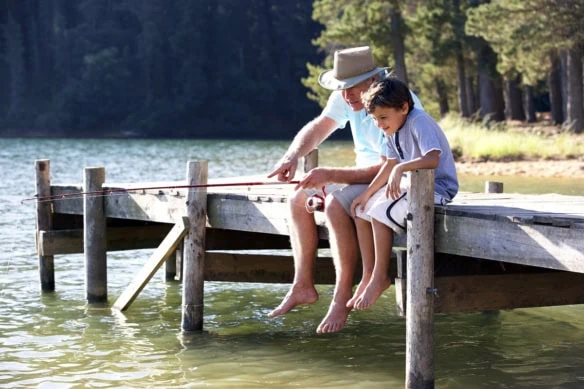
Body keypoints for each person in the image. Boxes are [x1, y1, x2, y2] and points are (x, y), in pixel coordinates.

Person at [267, 46, 422, 334]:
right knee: (297, 200)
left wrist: (331, 175)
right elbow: (318, 127)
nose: (346, 95)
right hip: (363, 177)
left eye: (352, 87)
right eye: (342, 88)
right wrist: (292, 156)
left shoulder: (398, 103)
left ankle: (341, 297)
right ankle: (302, 285)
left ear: (373, 81)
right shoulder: (347, 98)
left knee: (337, 204)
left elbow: (395, 165)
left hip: (394, 180)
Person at [349, 77, 458, 310]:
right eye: (375, 119)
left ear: (404, 108)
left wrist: (402, 168)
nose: (379, 124)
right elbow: (389, 163)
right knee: (362, 210)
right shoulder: (392, 128)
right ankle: (370, 273)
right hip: (414, 187)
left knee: (378, 213)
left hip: (437, 189)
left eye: (383, 117)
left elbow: (432, 158)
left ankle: (380, 276)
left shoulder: (419, 121)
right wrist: (367, 194)